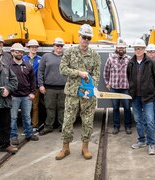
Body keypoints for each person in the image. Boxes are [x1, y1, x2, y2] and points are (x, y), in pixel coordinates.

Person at [56, 24, 101, 160]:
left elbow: (96, 75)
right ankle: (65, 148)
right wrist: (78, 73)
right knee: (68, 120)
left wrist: (89, 89)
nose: (85, 40)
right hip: (72, 93)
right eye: (84, 37)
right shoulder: (70, 52)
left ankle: (85, 147)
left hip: (87, 95)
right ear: (79, 36)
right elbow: (62, 69)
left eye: (88, 38)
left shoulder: (95, 55)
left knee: (87, 121)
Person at [127, 39, 155, 155]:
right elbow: (129, 77)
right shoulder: (131, 62)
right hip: (135, 97)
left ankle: (151, 144)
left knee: (150, 121)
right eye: (136, 48)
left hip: (147, 97)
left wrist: (150, 90)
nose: (138, 50)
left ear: (144, 49)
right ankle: (142, 140)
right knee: (138, 120)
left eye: (140, 48)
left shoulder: (150, 62)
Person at [9, 43, 39, 145]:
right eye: (16, 51)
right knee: (13, 117)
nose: (19, 53)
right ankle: (13, 136)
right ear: (12, 52)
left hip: (26, 96)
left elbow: (33, 80)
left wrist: (32, 92)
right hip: (13, 96)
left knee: (27, 116)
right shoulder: (8, 66)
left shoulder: (28, 66)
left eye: (21, 52)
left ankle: (29, 134)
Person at [38, 38, 68, 135]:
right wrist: (41, 85)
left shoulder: (67, 57)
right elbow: (40, 71)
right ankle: (48, 126)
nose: (59, 47)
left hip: (63, 88)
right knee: (49, 108)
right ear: (53, 46)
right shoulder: (46, 56)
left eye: (61, 46)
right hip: (49, 88)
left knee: (62, 108)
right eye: (57, 45)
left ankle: (62, 126)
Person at [104, 38, 132, 135]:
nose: (121, 49)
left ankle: (128, 126)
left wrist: (131, 85)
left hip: (125, 88)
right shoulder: (110, 59)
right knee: (115, 108)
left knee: (127, 108)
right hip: (114, 88)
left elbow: (132, 73)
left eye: (123, 48)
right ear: (116, 48)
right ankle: (116, 126)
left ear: (125, 48)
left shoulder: (129, 59)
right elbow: (106, 72)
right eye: (119, 47)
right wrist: (107, 83)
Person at [23, 39, 42, 128]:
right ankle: (26, 126)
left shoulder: (40, 60)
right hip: (24, 87)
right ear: (29, 48)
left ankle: (34, 126)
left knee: (35, 107)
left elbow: (41, 73)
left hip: (35, 87)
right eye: (32, 47)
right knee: (26, 108)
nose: (34, 48)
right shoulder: (23, 59)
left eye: (35, 47)